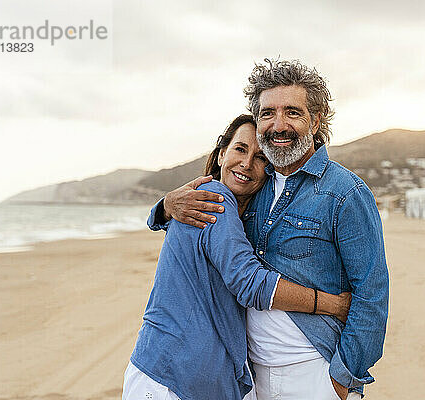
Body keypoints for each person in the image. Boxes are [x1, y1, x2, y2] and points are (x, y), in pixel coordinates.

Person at [158, 59, 389, 399]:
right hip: (248, 375)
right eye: (267, 113)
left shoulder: (345, 193)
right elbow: (205, 227)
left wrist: (341, 379)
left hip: (314, 371)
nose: (278, 125)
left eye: (292, 112)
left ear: (316, 119)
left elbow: (372, 295)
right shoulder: (252, 187)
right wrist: (165, 207)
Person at [123, 114, 351, 400]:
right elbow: (249, 282)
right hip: (171, 377)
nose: (246, 164)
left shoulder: (246, 219)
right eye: (240, 149)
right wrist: (332, 304)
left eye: (260, 158)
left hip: (198, 379)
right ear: (221, 155)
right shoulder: (213, 196)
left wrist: (164, 207)